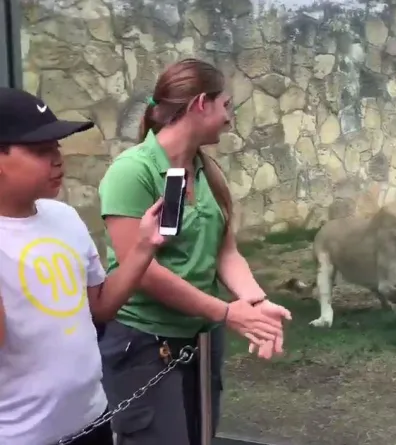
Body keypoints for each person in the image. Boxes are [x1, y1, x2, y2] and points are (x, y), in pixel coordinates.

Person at [96, 58, 291, 445]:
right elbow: (143, 273)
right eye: (226, 106)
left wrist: (253, 300)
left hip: (199, 339)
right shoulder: (131, 172)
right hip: (145, 344)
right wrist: (223, 311)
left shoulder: (206, 170)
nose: (230, 119)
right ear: (201, 103)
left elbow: (226, 252)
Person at [0, 87, 166, 445]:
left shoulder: (65, 217)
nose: (58, 159)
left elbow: (100, 308)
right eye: (40, 150)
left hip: (92, 421)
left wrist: (143, 249)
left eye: (57, 146)